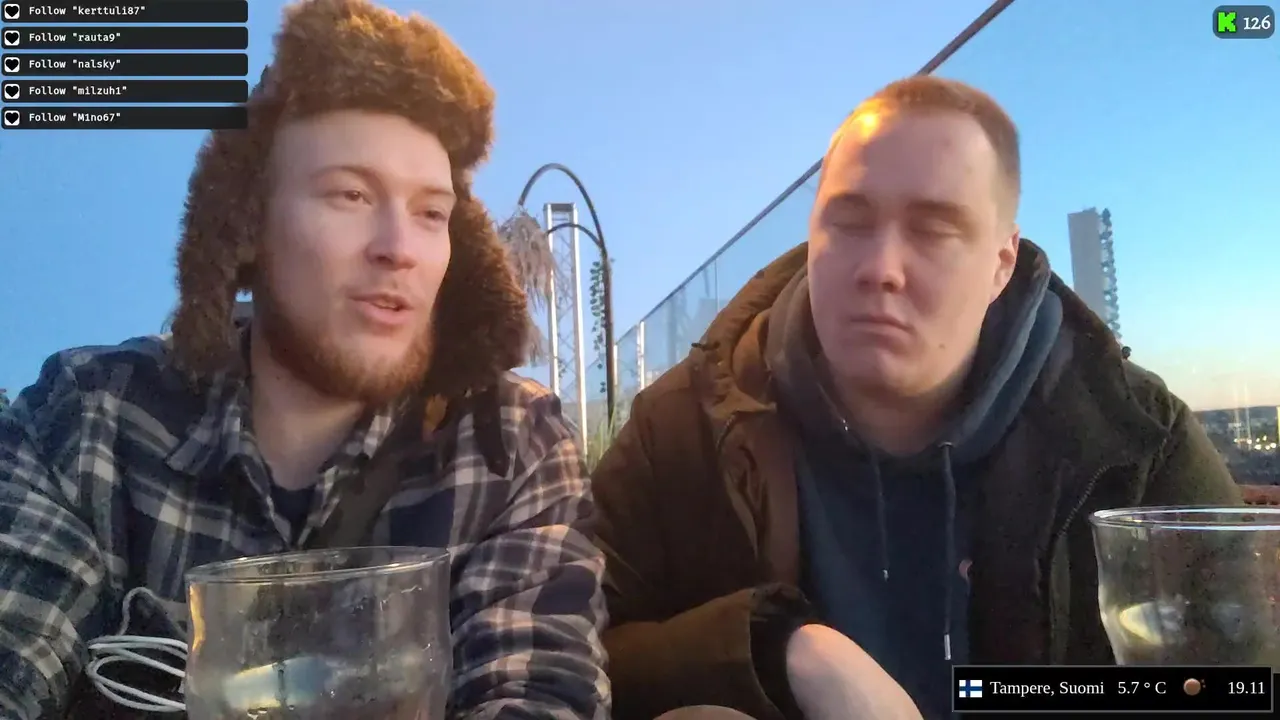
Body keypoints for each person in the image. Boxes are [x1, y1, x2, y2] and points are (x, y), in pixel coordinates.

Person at [0, 1, 608, 718]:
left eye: (431, 213)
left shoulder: (511, 449)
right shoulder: (90, 421)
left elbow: (538, 692)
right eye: (351, 194)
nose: (399, 249)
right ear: (248, 225)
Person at [592, 75, 1241, 720]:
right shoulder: (684, 428)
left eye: (934, 230)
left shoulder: (1132, 443)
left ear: (1001, 264)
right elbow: (573, 653)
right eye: (849, 221)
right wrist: (773, 651)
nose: (881, 269)